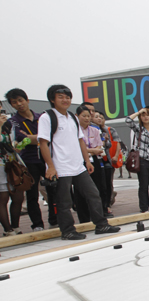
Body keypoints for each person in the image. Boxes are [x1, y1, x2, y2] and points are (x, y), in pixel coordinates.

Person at [38, 85, 119, 240]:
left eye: (67, 97)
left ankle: (101, 225)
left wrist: (87, 161)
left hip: (78, 166)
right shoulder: (47, 117)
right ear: (52, 99)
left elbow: (80, 141)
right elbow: (43, 143)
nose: (65, 100)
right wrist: (51, 166)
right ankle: (67, 230)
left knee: (93, 194)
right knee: (64, 201)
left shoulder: (72, 118)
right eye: (60, 97)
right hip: (60, 167)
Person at [5, 88, 57, 231]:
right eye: (14, 102)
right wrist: (40, 138)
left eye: (21, 100)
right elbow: (24, 139)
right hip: (28, 161)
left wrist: (33, 138)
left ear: (27, 100)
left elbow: (51, 136)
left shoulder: (42, 117)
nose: (19, 104)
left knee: (53, 191)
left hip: (46, 159)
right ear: (12, 105)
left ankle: (54, 219)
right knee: (32, 194)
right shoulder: (13, 122)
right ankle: (37, 224)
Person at [126, 107, 149, 212]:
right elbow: (128, 120)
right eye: (143, 115)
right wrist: (138, 112)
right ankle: (144, 207)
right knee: (143, 185)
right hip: (142, 160)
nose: (146, 117)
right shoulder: (138, 129)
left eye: (148, 115)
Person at [0, 104, 25, 236]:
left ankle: (15, 226)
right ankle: (7, 229)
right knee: (2, 199)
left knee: (18, 197)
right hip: (0, 168)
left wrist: (17, 146)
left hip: (13, 165)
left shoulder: (8, 125)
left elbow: (13, 142)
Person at [95, 111, 121, 207]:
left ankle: (108, 201)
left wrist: (116, 156)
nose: (99, 119)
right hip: (97, 159)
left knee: (108, 182)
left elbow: (115, 143)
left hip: (107, 159)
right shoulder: (92, 130)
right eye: (97, 117)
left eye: (101, 117)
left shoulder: (109, 130)